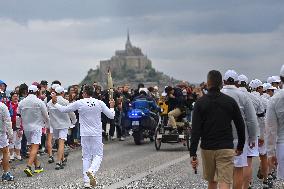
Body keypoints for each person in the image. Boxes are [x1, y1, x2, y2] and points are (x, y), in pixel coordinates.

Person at [190, 70, 246, 189]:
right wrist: (240, 145)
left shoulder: (200, 103)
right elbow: (240, 124)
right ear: (221, 83)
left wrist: (193, 153)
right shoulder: (230, 101)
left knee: (212, 181)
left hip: (207, 147)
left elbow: (195, 130)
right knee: (225, 180)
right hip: (225, 146)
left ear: (207, 83)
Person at [51, 85, 115, 188]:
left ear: (84, 93)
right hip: (96, 133)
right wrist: (112, 107)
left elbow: (64, 110)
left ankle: (86, 182)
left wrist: (55, 103)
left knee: (86, 157)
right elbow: (111, 116)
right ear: (92, 93)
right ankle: (92, 171)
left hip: (84, 133)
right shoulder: (99, 103)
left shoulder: (79, 102)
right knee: (98, 155)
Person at [221, 70, 258, 189]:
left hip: (220, 139)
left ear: (224, 81)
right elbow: (252, 120)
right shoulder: (244, 96)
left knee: (224, 174)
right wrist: (252, 138)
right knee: (239, 169)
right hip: (239, 138)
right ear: (237, 83)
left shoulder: (218, 94)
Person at [18, 85, 50, 177]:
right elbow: (46, 116)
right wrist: (48, 125)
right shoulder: (39, 102)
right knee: (35, 147)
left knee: (32, 147)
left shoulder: (22, 102)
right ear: (37, 92)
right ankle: (28, 166)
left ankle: (37, 166)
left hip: (26, 128)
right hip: (36, 127)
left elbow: (18, 116)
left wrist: (18, 127)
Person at [47, 86, 76, 170]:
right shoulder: (65, 101)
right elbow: (71, 113)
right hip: (63, 124)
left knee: (58, 143)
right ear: (63, 93)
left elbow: (47, 113)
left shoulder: (49, 102)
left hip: (54, 125)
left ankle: (62, 159)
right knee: (62, 143)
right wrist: (74, 121)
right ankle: (58, 162)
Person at [266, 64, 284, 181]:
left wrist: (270, 153)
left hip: (282, 144)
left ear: (281, 79)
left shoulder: (274, 100)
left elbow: (271, 129)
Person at [0, 101, 14, 181]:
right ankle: (6, 173)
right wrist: (11, 135)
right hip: (1, 133)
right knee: (5, 152)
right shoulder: (2, 106)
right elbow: (8, 122)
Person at [9, 91, 23, 161]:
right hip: (12, 125)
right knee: (12, 140)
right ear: (11, 97)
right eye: (14, 96)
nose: (15, 98)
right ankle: (11, 154)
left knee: (18, 140)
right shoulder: (9, 105)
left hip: (20, 125)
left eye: (17, 96)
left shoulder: (20, 104)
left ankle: (18, 154)